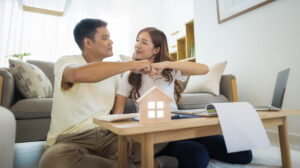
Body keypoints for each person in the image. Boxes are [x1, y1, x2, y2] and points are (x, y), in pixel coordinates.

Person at [39, 19, 176, 168]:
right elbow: (77, 74)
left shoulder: (116, 75)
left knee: (157, 137)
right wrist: (133, 64)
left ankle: (118, 162)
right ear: (88, 42)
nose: (111, 42)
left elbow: (122, 108)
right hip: (71, 140)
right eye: (105, 38)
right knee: (52, 161)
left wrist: (125, 135)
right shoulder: (67, 61)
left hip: (107, 136)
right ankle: (147, 165)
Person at [113, 27, 253, 168]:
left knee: (244, 154)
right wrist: (125, 138)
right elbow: (118, 111)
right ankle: (163, 160)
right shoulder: (129, 76)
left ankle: (191, 148)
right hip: (160, 136)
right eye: (137, 40)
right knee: (198, 157)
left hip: (180, 127)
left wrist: (167, 63)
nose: (137, 44)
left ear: (156, 50)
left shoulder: (169, 70)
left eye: (144, 42)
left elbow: (204, 69)